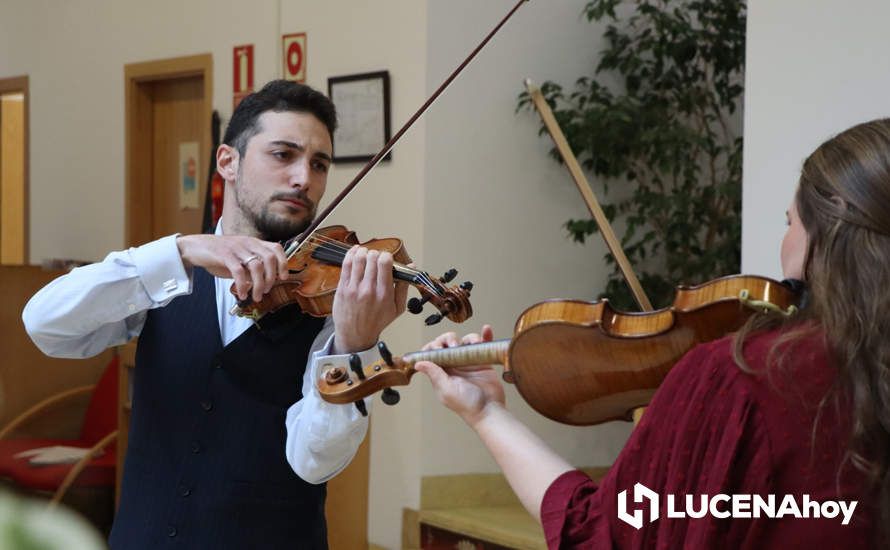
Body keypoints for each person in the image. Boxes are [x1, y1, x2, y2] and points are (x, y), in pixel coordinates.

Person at [417, 118, 890, 548]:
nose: (783, 240)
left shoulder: (745, 375)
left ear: (827, 235)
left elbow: (600, 534)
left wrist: (484, 415)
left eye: (790, 223)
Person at [22, 80, 406, 549]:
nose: (304, 178)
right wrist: (183, 251)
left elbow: (315, 461)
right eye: (283, 155)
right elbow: (45, 325)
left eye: (319, 164)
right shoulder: (166, 274)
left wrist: (351, 347)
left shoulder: (333, 300)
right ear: (228, 161)